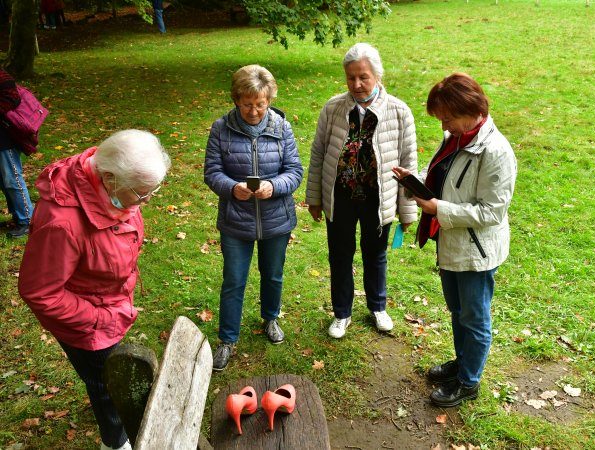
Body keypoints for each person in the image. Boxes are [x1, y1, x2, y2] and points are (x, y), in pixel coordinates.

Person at [18, 130, 171, 450]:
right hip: (86, 322)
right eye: (142, 193)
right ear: (110, 179)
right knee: (105, 385)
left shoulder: (113, 189)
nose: (148, 199)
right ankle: (115, 443)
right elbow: (41, 292)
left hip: (108, 306)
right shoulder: (62, 223)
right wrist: (101, 319)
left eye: (152, 189)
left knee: (106, 374)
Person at [392, 72, 517, 407]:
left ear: (470, 109)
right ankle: (462, 364)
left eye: (448, 117)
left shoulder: (495, 151)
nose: (444, 125)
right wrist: (416, 181)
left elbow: (491, 212)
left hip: (476, 251)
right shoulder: (457, 137)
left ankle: (469, 381)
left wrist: (438, 208)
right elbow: (448, 181)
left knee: (474, 317)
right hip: (452, 243)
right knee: (458, 310)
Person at [305, 42, 418, 339]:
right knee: (340, 255)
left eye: (363, 77)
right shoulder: (333, 108)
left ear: (377, 76)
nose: (356, 84)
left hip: (378, 198)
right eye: (351, 77)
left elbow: (409, 163)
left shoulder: (399, 111)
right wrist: (314, 198)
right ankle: (342, 313)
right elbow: (318, 154)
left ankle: (378, 307)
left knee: (376, 254)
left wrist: (407, 210)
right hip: (339, 195)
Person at [204, 64, 303, 371]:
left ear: (269, 99)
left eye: (260, 104)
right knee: (234, 279)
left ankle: (271, 319)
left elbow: (295, 171)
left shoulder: (281, 127)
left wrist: (274, 187)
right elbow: (211, 172)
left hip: (276, 217)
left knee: (273, 274)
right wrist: (232, 189)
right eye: (247, 104)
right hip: (236, 219)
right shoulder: (221, 128)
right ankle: (227, 339)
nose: (254, 111)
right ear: (236, 100)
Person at [0, 68, 33, 238]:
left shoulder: (3, 76)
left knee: (12, 179)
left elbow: (12, 98)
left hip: (6, 138)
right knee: (3, 181)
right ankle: (17, 215)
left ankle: (27, 220)